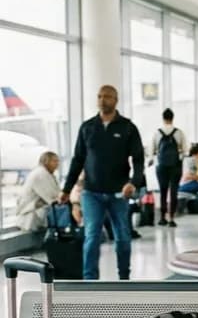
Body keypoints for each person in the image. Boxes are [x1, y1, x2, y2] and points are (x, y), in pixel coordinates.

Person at [59, 85, 145, 281]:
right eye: (99, 96)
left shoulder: (127, 127)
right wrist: (66, 189)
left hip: (119, 193)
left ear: (115, 100)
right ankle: (90, 281)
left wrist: (133, 182)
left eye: (107, 96)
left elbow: (138, 159)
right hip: (92, 193)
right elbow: (77, 160)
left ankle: (124, 278)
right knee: (91, 237)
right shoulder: (87, 127)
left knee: (122, 237)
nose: (102, 100)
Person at [151, 108, 187, 227]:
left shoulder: (157, 133)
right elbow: (185, 151)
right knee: (174, 191)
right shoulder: (179, 132)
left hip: (161, 166)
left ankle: (162, 218)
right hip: (175, 165)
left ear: (163, 118)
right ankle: (171, 218)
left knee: (163, 191)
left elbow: (151, 151)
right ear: (173, 118)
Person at [16, 151, 61, 231]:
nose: (58, 164)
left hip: (37, 216)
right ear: (45, 162)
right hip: (30, 218)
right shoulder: (40, 174)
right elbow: (52, 196)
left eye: (58, 161)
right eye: (54, 161)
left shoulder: (47, 174)